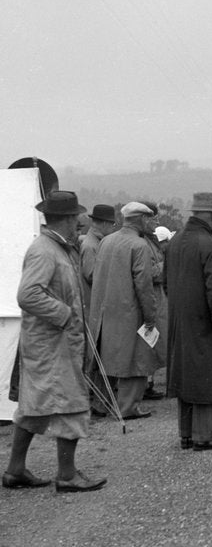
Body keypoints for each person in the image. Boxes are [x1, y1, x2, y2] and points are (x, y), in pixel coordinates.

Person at [3, 191, 107, 492]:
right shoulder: (45, 251)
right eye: (75, 217)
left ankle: (15, 470)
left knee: (35, 407)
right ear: (64, 219)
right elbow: (28, 294)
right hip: (53, 343)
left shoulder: (56, 248)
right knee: (72, 404)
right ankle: (67, 475)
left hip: (50, 343)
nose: (79, 222)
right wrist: (64, 315)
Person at [164, 192, 212, 451]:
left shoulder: (174, 243)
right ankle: (205, 436)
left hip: (179, 322)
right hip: (205, 324)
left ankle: (186, 434)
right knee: (209, 378)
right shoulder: (210, 245)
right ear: (208, 215)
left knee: (186, 377)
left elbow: (165, 285)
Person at [89, 202, 160, 420]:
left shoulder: (106, 241)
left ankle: (100, 405)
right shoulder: (139, 246)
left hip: (104, 311)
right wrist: (150, 316)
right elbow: (144, 285)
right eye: (149, 218)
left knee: (105, 358)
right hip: (130, 313)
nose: (152, 222)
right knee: (138, 360)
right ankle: (128, 407)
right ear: (140, 219)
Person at [78, 204, 119, 416]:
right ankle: (96, 402)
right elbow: (92, 275)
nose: (112, 228)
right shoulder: (91, 245)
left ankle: (97, 400)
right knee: (95, 355)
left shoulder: (96, 242)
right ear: (102, 223)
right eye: (111, 224)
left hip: (95, 305)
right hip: (92, 306)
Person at [140, 202, 169, 401]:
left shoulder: (148, 241)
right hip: (151, 297)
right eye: (152, 218)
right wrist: (167, 263)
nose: (155, 222)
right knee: (149, 343)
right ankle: (145, 385)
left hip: (156, 297)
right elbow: (151, 273)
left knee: (153, 342)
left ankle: (148, 383)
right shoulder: (143, 243)